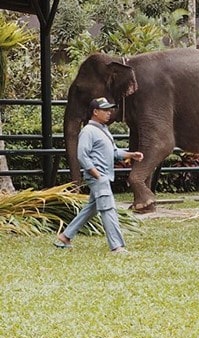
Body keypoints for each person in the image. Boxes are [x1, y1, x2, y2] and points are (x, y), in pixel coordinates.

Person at [54, 97, 144, 253]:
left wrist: (131, 154)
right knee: (108, 209)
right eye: (105, 110)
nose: (109, 113)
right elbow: (82, 154)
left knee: (92, 208)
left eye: (110, 110)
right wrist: (95, 173)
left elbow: (114, 152)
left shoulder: (103, 130)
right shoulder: (88, 131)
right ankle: (116, 246)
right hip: (99, 177)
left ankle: (65, 236)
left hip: (102, 176)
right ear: (95, 112)